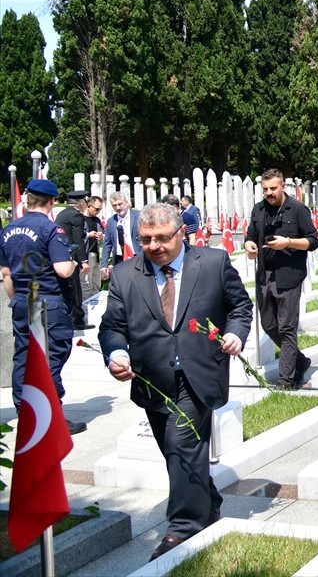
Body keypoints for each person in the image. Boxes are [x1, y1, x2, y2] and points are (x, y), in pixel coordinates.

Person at [98, 203, 252, 561]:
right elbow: (112, 326)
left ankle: (183, 527)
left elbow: (239, 307)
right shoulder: (124, 275)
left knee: (182, 445)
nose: (154, 246)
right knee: (174, 451)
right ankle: (208, 500)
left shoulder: (212, 263)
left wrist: (235, 334)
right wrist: (116, 354)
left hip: (199, 373)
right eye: (145, 240)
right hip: (152, 378)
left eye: (162, 238)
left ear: (181, 233)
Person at [1, 178, 86, 433]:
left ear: (28, 200)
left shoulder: (8, 230)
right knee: (51, 358)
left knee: (23, 358)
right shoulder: (51, 230)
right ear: (51, 202)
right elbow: (61, 270)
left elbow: (7, 274)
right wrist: (72, 263)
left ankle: (24, 410)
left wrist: (16, 300)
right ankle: (50, 416)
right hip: (48, 301)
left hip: (21, 301)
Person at [244, 169, 318, 389]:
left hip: (289, 275)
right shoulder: (258, 209)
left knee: (287, 327)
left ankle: (286, 380)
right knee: (269, 325)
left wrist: (288, 242)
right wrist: (249, 246)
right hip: (264, 274)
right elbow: (250, 235)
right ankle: (300, 361)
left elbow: (313, 241)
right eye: (265, 189)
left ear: (283, 186)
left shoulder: (297, 210)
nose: (269, 193)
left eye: (273, 188)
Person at [56, 189, 93, 330]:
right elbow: (79, 240)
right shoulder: (76, 216)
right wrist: (84, 261)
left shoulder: (63, 213)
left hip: (60, 256)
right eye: (86, 202)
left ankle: (68, 318)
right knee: (76, 288)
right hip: (71, 258)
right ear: (81, 203)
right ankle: (78, 320)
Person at [101, 191, 141, 279]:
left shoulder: (139, 216)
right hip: (119, 259)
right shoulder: (111, 221)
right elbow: (107, 244)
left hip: (137, 257)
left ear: (126, 202)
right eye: (114, 205)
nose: (118, 208)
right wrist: (104, 265)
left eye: (120, 204)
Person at [82, 195, 105, 301]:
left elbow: (103, 233)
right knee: (86, 284)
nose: (98, 211)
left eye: (100, 209)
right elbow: (77, 237)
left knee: (96, 283)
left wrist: (101, 236)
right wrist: (88, 235)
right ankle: (85, 311)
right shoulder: (80, 219)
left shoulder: (96, 220)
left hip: (96, 254)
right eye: (96, 209)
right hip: (86, 255)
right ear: (89, 206)